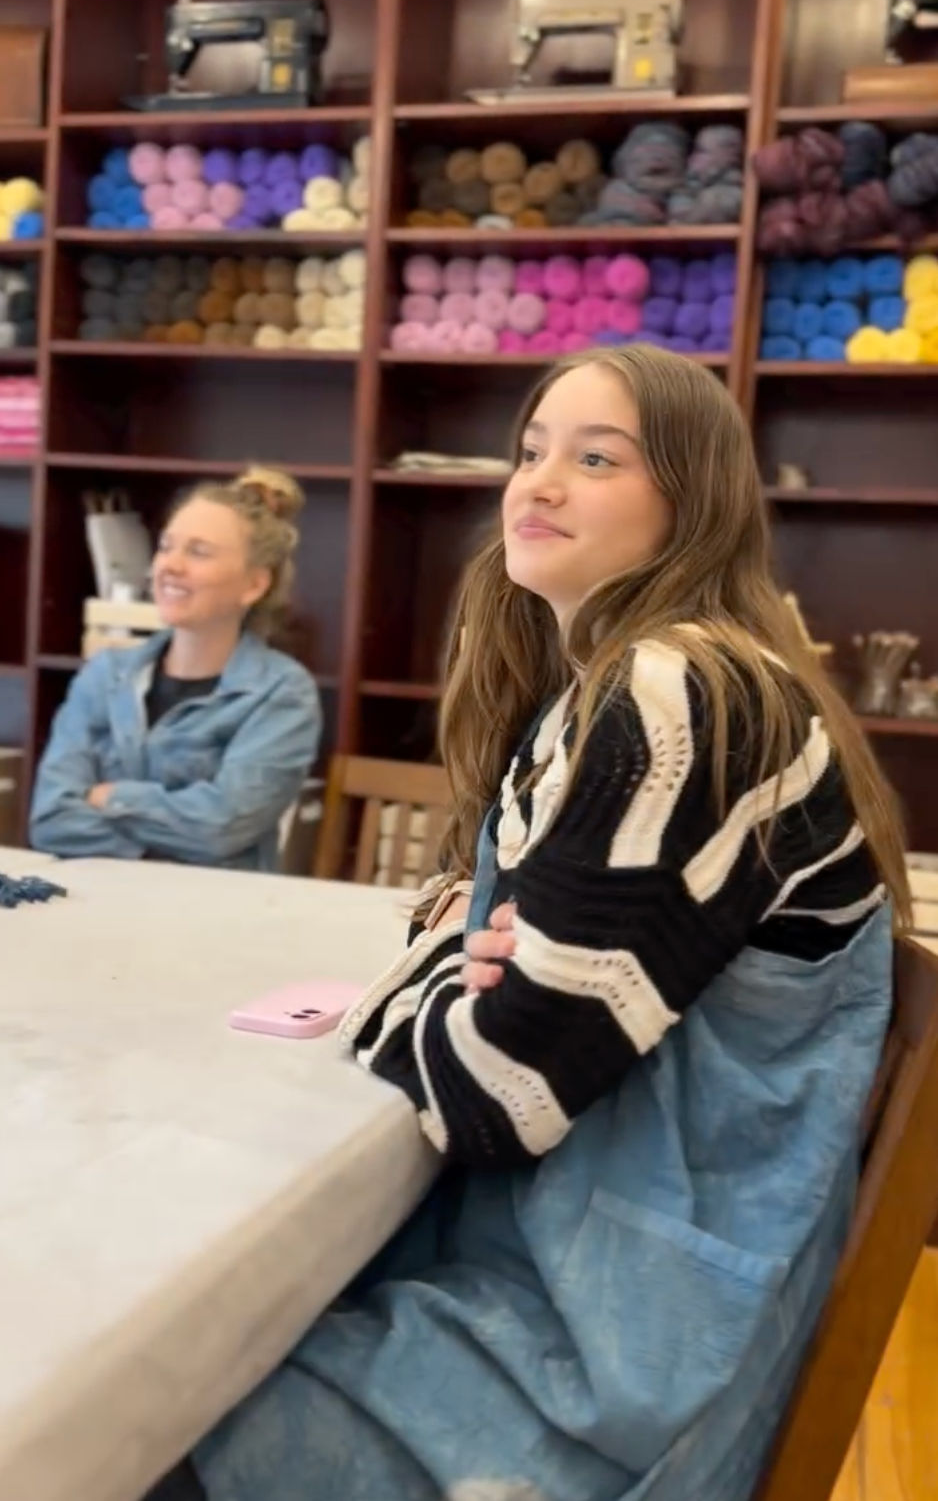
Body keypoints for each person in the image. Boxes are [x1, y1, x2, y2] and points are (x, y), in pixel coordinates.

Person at [155, 345, 908, 1501]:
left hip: (610, 1349)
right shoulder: (630, 687)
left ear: (690, 505)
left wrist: (416, 980)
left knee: (155, 1410)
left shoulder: (675, 697)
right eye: (530, 450)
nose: (536, 483)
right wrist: (458, 954)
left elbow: (494, 1095)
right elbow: (482, 921)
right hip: (596, 1273)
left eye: (594, 458)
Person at [30, 465, 320, 873]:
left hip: (213, 916)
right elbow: (50, 820)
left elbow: (223, 828)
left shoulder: (283, 693)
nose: (170, 565)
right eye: (166, 546)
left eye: (198, 552)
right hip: (101, 906)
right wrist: (158, 854)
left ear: (254, 584)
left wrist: (110, 797)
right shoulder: (104, 676)